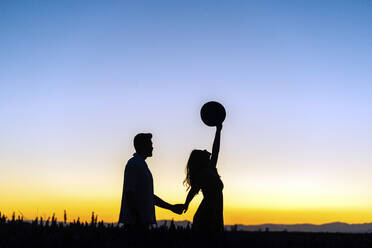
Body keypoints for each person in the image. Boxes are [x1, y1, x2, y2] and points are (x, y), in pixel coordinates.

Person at [119, 133, 184, 230]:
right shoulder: (134, 164)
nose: (152, 147)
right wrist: (137, 219)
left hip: (141, 223)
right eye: (150, 144)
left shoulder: (141, 165)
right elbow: (129, 193)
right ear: (142, 146)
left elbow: (148, 196)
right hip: (135, 225)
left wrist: (171, 207)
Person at [183, 124, 224, 232]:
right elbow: (193, 191)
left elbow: (215, 150)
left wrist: (218, 131)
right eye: (203, 151)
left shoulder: (210, 169)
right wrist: (186, 204)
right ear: (201, 160)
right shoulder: (203, 174)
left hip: (214, 214)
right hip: (207, 216)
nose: (206, 150)